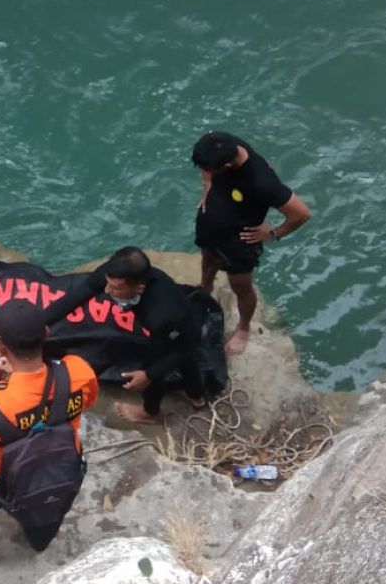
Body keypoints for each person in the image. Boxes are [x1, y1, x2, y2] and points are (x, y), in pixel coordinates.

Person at [0, 300, 98, 564]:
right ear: (46, 334)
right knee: (50, 506)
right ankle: (40, 538)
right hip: (63, 465)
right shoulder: (79, 371)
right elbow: (87, 400)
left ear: (0, 343)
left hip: (5, 478)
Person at [44, 246, 207, 423]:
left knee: (155, 366)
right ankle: (196, 396)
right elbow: (80, 294)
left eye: (116, 288)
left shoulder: (162, 314)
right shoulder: (114, 273)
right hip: (167, 323)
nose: (106, 291)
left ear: (139, 287)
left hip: (181, 329)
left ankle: (150, 412)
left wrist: (149, 375)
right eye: (107, 283)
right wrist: (43, 322)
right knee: (172, 362)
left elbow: (186, 347)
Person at [192, 131, 311, 355]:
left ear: (227, 165)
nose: (206, 171)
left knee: (241, 287)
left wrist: (273, 233)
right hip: (211, 226)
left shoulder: (262, 182)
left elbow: (302, 214)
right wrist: (207, 186)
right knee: (207, 259)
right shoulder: (223, 143)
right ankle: (205, 286)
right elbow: (206, 165)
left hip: (239, 240)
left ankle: (244, 327)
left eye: (211, 170)